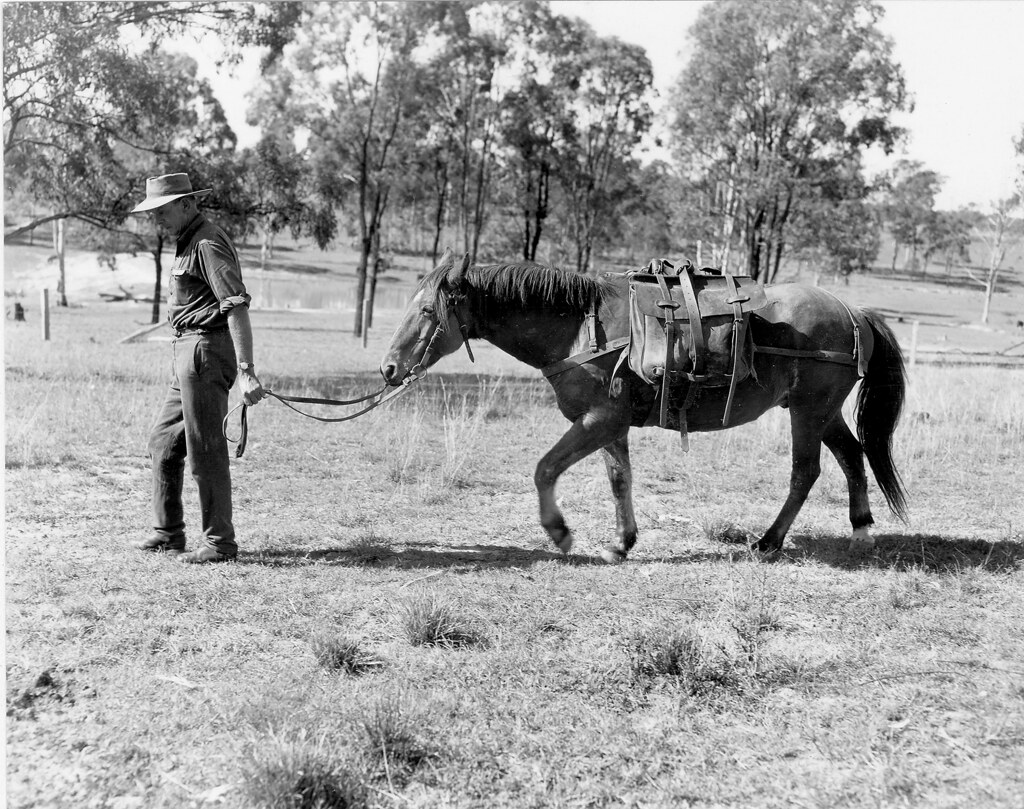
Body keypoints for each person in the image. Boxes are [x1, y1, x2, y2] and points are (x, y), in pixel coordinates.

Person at [130, 173, 266, 563]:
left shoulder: (207, 241)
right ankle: (168, 533)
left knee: (205, 448)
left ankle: (219, 542)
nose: (157, 218)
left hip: (206, 349)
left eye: (162, 209)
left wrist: (246, 370)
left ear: (187, 204)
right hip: (187, 350)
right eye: (153, 211)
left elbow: (235, 303)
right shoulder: (187, 240)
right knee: (164, 441)